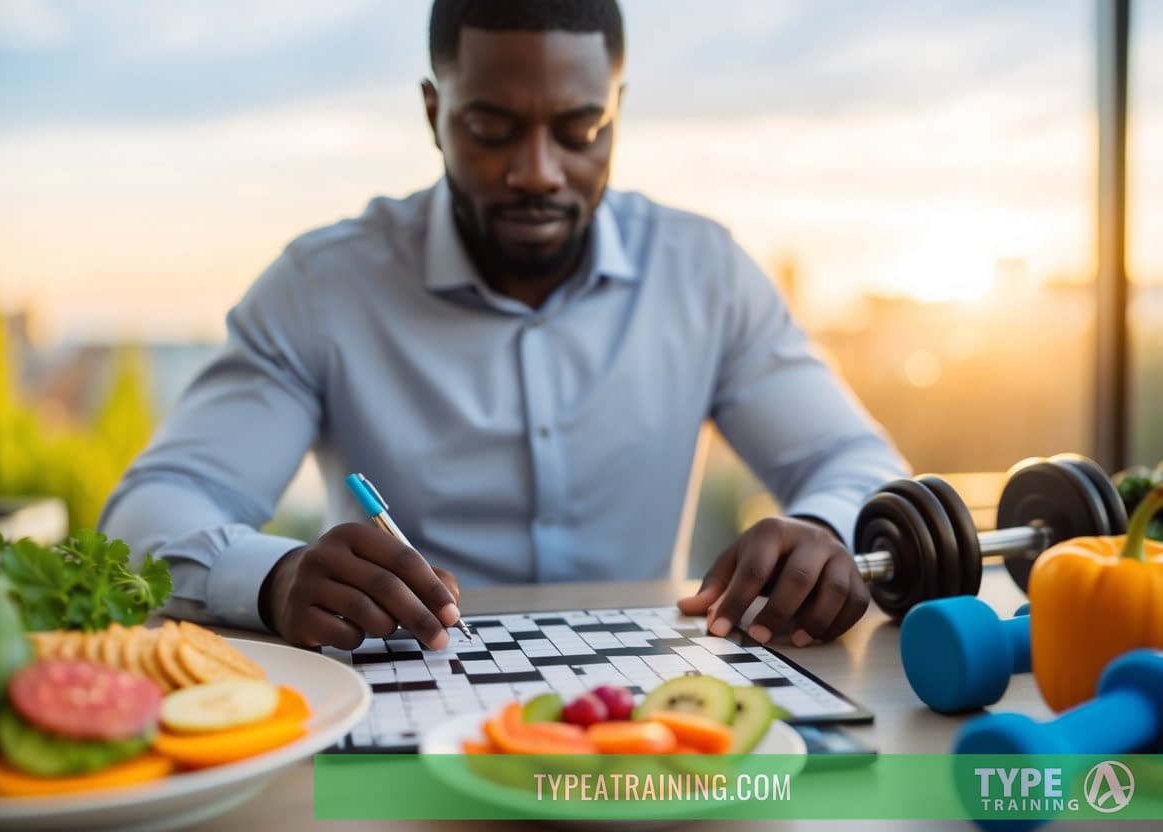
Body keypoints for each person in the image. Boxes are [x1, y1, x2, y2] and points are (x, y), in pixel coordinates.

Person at [100, 0, 909, 653]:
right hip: (405, 694)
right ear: (433, 112)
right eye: (491, 129)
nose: (537, 172)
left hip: (657, 704)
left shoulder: (704, 272)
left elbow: (857, 464)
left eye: (578, 130)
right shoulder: (322, 288)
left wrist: (821, 530)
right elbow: (149, 512)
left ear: (617, 112)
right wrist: (275, 579)